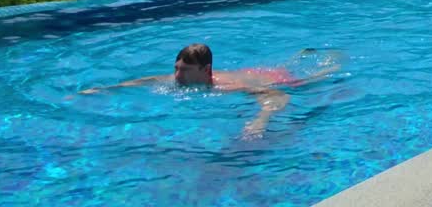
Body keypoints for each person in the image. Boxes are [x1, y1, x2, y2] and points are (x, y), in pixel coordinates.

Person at [75, 43, 340, 139]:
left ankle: (330, 64)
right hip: (253, 70)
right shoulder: (179, 78)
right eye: (176, 68)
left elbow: (278, 96)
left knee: (307, 81)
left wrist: (259, 121)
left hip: (273, 80)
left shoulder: (227, 87)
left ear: (206, 70)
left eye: (184, 71)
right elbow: (149, 79)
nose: (177, 76)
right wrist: (105, 89)